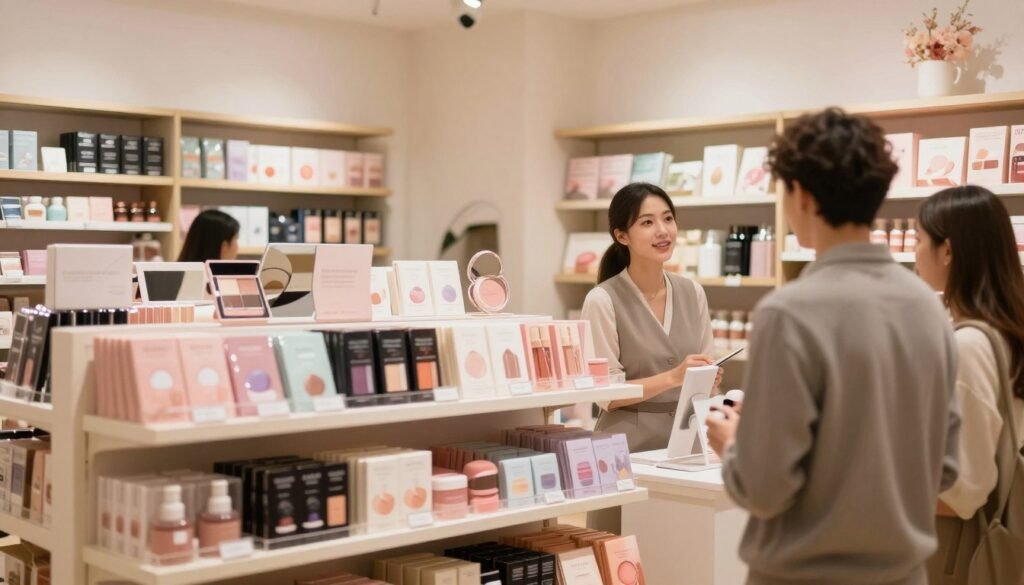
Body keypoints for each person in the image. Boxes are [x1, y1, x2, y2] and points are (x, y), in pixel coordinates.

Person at [706, 108, 960, 585]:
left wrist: (734, 443)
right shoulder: (929, 309)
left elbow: (764, 488)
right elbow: (944, 469)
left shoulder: (789, 312)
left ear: (800, 194)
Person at [913, 186, 1024, 584]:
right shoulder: (999, 332)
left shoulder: (970, 346)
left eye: (919, 239)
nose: (914, 253)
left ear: (948, 252)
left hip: (955, 552)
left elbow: (961, 492)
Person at [581, 182, 721, 453]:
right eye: (647, 222)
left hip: (688, 446)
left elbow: (707, 371)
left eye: (668, 218)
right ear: (622, 236)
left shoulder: (693, 292)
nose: (663, 230)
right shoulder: (602, 300)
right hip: (625, 450)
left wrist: (708, 377)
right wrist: (674, 377)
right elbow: (604, 395)